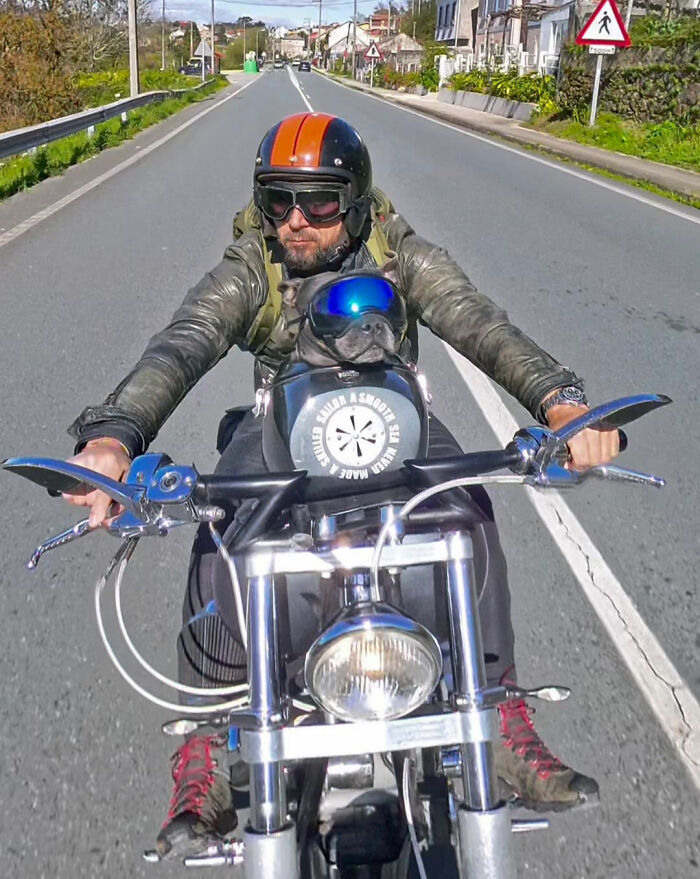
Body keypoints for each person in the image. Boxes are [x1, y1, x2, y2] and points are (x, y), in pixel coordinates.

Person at [64, 113, 619, 860]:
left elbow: (477, 320)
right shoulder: (253, 265)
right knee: (217, 516)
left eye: (319, 201)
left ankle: (501, 713)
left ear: (355, 201)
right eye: (278, 200)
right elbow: (185, 337)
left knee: (469, 505)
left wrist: (561, 405)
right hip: (280, 427)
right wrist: (113, 438)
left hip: (394, 421)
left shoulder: (401, 255)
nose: (296, 219)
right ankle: (203, 745)